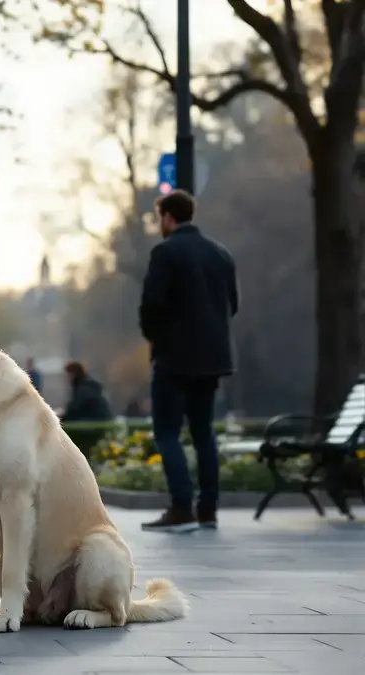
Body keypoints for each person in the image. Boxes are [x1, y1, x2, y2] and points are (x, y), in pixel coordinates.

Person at [138, 190, 238, 534]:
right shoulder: (220, 254)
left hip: (174, 357)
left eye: (159, 218)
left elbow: (152, 304)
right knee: (203, 432)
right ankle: (207, 508)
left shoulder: (166, 252)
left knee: (167, 432)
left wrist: (155, 337)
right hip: (212, 358)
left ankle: (181, 507)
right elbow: (232, 305)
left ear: (168, 217)